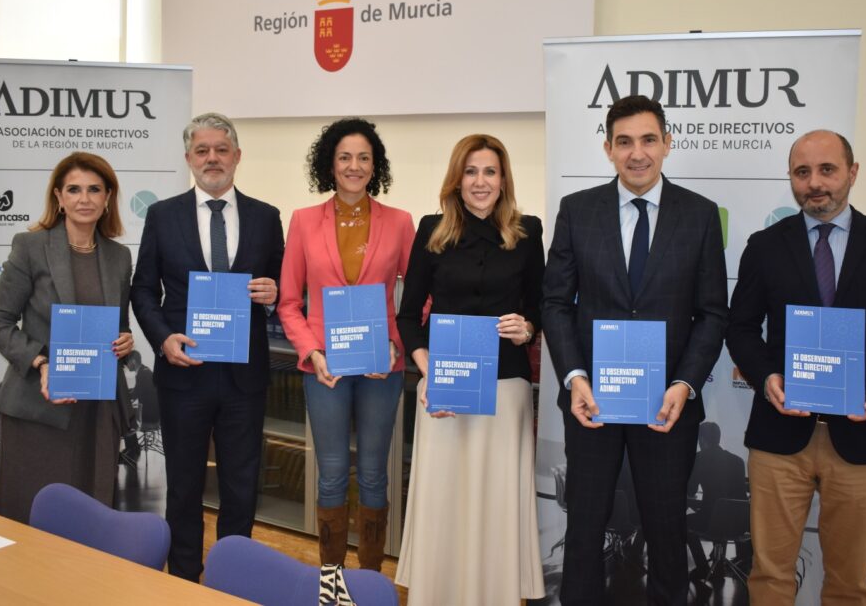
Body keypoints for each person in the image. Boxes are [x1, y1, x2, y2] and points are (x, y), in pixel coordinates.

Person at [726, 129, 866, 604]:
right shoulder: (764, 246)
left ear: (852, 173)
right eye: (803, 172)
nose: (815, 183)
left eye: (827, 170)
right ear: (792, 179)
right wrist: (766, 378)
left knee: (848, 582)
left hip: (861, 437)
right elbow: (739, 327)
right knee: (770, 575)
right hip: (781, 437)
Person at [542, 94, 728, 606]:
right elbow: (555, 303)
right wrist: (575, 378)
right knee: (584, 529)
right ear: (608, 148)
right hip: (592, 403)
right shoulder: (578, 211)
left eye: (649, 139)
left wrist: (684, 384)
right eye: (624, 142)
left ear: (668, 143)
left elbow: (712, 312)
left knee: (667, 532)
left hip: (667, 407)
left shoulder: (700, 216)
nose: (637, 153)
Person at [130, 112, 284, 581]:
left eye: (221, 149)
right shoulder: (162, 215)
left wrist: (273, 293)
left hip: (244, 376)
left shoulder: (266, 217)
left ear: (237, 156)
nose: (212, 158)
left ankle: (233, 579)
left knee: (241, 486)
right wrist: (162, 338)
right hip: (184, 371)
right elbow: (142, 290)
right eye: (202, 150)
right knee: (184, 487)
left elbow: (284, 287)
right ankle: (183, 581)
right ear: (188, 159)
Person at [394, 134, 545, 606]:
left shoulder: (528, 231)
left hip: (506, 389)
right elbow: (407, 316)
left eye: (490, 172)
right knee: (446, 499)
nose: (481, 182)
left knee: (496, 502)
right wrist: (426, 368)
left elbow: (539, 307)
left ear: (504, 180)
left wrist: (527, 328)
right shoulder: (431, 230)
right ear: (457, 179)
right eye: (471, 171)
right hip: (446, 388)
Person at [277, 118, 415, 570]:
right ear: (329, 165)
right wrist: (310, 351)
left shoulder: (399, 223)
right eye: (344, 157)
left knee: (375, 474)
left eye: (363, 158)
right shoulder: (302, 221)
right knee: (333, 474)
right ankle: (331, 583)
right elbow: (288, 303)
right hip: (325, 369)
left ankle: (372, 581)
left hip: (382, 368)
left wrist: (396, 343)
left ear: (375, 166)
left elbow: (419, 298)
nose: (354, 166)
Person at [0, 152, 134, 523]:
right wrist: (42, 361)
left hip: (98, 412)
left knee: (89, 519)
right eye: (74, 189)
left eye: (94, 189)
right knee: (30, 516)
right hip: (39, 406)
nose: (84, 198)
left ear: (108, 198)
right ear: (58, 197)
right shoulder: (30, 247)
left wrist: (125, 340)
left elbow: (120, 323)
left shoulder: (119, 257)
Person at [685, 421, 747, 585]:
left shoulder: (699, 459)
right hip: (739, 522)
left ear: (702, 440)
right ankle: (718, 568)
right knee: (720, 516)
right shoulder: (738, 461)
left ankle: (703, 567)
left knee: (683, 524)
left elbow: (690, 491)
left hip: (711, 520)